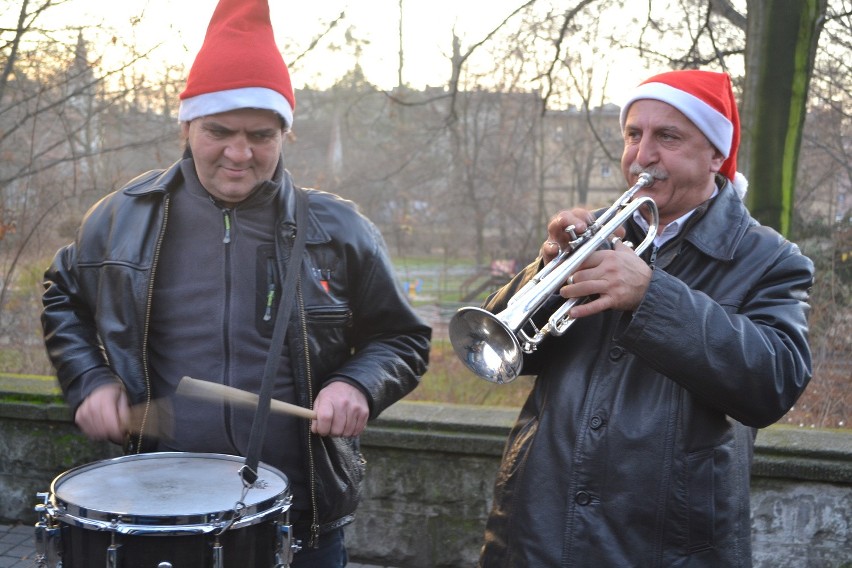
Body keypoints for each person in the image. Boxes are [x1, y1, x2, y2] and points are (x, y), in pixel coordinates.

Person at [40, 0, 430, 566]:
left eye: (260, 135)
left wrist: (358, 385)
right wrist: (90, 378)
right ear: (186, 125)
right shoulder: (120, 219)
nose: (239, 154)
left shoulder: (340, 231)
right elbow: (62, 297)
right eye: (218, 131)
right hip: (156, 514)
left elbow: (402, 338)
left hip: (298, 520)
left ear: (285, 135)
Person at [476, 70, 813, 567]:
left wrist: (651, 296)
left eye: (668, 137)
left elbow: (774, 382)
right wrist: (545, 273)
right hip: (536, 535)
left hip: (667, 546)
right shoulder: (599, 234)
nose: (643, 155)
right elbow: (501, 345)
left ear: (716, 155)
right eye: (634, 134)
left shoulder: (770, 258)